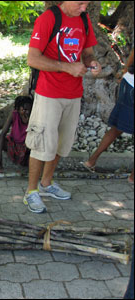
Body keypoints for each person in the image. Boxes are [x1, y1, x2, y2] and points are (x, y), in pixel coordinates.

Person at [24, 1, 102, 213]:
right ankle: (31, 192)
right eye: (80, 3)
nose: (84, 8)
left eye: (87, 3)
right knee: (41, 144)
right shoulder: (48, 19)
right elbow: (33, 58)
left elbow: (87, 52)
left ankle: (46, 184)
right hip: (49, 93)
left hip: (73, 94)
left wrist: (92, 62)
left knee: (61, 144)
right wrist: (67, 67)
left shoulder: (84, 19)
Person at [81, 48, 134, 184]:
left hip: (129, 83)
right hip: (131, 85)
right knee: (117, 127)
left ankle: (91, 161)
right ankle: (133, 177)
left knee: (117, 127)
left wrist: (125, 72)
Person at [0, 95, 34, 173]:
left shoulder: (34, 117)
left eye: (29, 110)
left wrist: (30, 121)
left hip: (26, 149)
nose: (27, 112)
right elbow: (3, 134)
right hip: (12, 145)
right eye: (24, 109)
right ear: (18, 109)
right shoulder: (14, 114)